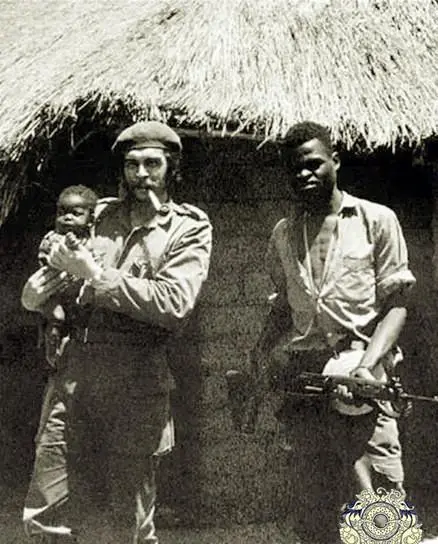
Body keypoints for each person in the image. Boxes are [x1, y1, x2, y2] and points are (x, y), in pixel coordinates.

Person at [21, 120, 212, 543]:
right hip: (74, 379)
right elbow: (55, 255)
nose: (141, 174)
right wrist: (37, 295)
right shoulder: (96, 215)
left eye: (152, 164)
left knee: (127, 521)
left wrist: (95, 274)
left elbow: (174, 303)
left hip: (136, 383)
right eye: (131, 165)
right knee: (46, 512)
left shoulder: (189, 228)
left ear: (172, 168)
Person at [250, 121, 416, 543]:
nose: (304, 174)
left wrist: (367, 366)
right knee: (313, 508)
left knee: (378, 510)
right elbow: (283, 307)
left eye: (313, 164)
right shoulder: (284, 234)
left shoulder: (376, 220)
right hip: (306, 386)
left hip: (362, 381)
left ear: (335, 161)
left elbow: (397, 304)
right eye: (294, 169)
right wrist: (259, 355)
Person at [22, 185, 99, 543]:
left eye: (76, 213)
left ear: (91, 218)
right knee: (53, 436)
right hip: (62, 320)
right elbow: (44, 283)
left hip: (93, 340)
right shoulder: (52, 242)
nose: (67, 218)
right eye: (62, 211)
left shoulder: (99, 244)